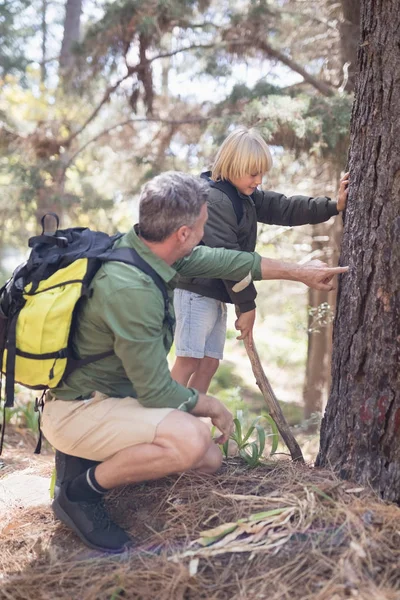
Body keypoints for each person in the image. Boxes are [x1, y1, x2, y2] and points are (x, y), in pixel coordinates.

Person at [41, 171, 348, 554]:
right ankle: (79, 492)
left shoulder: (148, 251)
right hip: (79, 407)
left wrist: (300, 273)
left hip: (111, 396)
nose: (205, 233)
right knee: (191, 439)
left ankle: (99, 463)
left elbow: (227, 260)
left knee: (207, 459)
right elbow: (155, 390)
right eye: (203, 225)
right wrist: (212, 405)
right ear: (183, 233)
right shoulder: (130, 287)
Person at [172, 128, 349, 393]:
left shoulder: (244, 196)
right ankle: (160, 421)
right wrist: (247, 306)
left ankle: (191, 422)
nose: (259, 180)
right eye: (253, 173)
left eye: (262, 174)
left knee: (209, 364)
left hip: (215, 291)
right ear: (233, 165)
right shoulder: (215, 199)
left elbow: (285, 208)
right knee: (189, 360)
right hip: (194, 291)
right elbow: (229, 260)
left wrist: (333, 206)